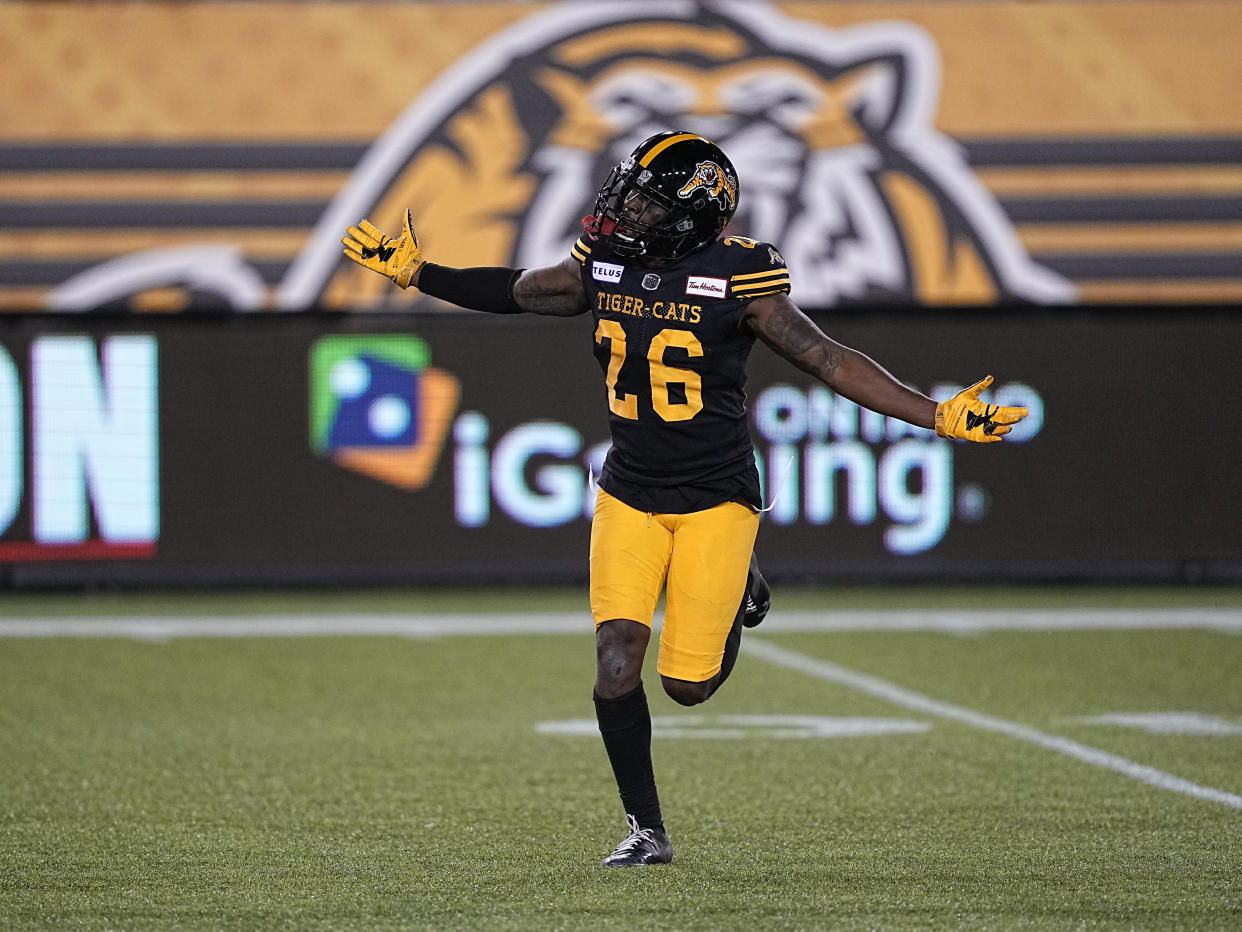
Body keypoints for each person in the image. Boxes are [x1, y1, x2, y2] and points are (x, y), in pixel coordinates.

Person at [342, 130, 1027, 868]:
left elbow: (826, 357)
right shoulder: (602, 263)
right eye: (627, 191)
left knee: (689, 687)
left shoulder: (741, 276)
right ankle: (646, 829)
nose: (625, 208)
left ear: (693, 216)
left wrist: (939, 414)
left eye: (646, 200)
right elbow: (520, 291)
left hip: (716, 498)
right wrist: (418, 272)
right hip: (629, 491)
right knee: (615, 659)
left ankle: (738, 588)